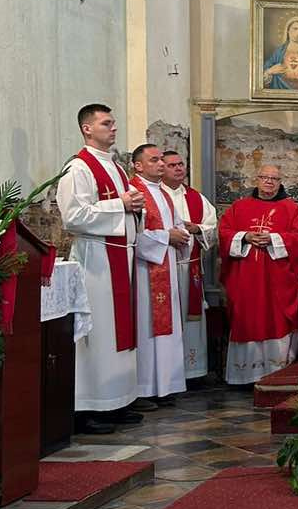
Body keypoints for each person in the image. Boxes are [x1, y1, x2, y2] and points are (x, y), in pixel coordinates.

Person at [56, 104, 146, 433]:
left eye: (114, 123)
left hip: (119, 256)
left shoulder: (116, 167)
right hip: (96, 260)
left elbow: (126, 210)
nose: (113, 128)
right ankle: (88, 406)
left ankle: (116, 401)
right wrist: (120, 204)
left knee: (117, 333)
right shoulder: (78, 168)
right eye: (106, 123)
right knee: (97, 333)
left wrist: (136, 208)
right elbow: (73, 216)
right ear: (87, 129)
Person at [218, 165, 298, 385]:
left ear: (280, 182)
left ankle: (275, 374)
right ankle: (244, 375)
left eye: (274, 178)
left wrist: (274, 239)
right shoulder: (239, 207)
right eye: (265, 177)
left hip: (277, 281)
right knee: (247, 319)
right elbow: (224, 234)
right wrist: (245, 236)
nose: (269, 182)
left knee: (275, 318)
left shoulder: (290, 209)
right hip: (245, 279)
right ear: (257, 179)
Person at [128, 144, 190, 403]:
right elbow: (133, 235)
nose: (161, 165)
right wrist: (168, 236)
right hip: (143, 271)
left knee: (167, 326)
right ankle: (143, 388)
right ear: (138, 165)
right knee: (145, 327)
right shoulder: (133, 192)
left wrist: (179, 234)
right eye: (154, 160)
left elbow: (176, 224)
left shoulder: (163, 193)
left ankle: (165, 385)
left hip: (166, 265)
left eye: (161, 161)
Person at [161, 151, 218, 380]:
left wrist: (197, 229)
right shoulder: (155, 195)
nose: (178, 169)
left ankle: (191, 371)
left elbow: (213, 228)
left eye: (181, 164)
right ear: (161, 168)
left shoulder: (196, 198)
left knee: (189, 320)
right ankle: (166, 374)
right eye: (172, 165)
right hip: (163, 268)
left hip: (189, 266)